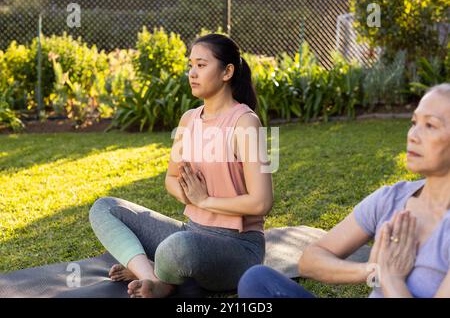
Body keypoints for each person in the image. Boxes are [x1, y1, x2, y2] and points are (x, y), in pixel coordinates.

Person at [89, 34, 273, 298]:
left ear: (227, 71)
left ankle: (159, 274)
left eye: (201, 65)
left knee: (176, 248)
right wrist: (189, 194)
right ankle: (152, 277)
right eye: (191, 65)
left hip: (239, 247)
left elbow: (261, 202)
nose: (192, 73)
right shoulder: (188, 120)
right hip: (192, 231)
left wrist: (206, 200)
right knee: (105, 208)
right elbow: (171, 179)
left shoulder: (245, 122)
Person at [238, 83, 450, 298]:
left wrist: (392, 278)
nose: (413, 134)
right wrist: (373, 271)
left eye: (430, 125)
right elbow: (310, 260)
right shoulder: (392, 198)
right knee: (257, 280)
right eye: (414, 122)